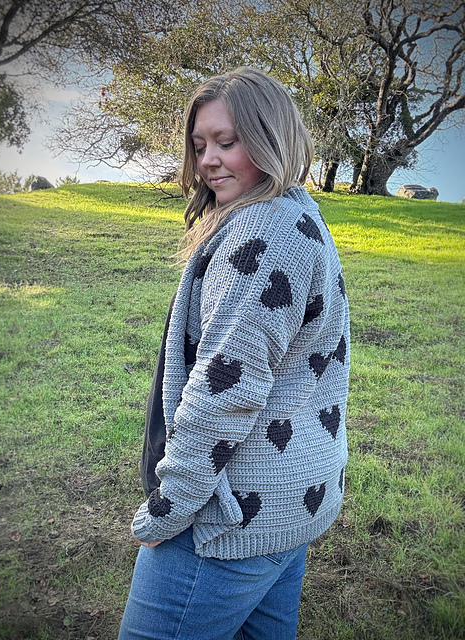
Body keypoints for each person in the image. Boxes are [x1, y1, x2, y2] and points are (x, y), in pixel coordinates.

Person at [118, 67, 350, 640]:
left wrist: (170, 506)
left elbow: (224, 392)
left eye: (227, 142)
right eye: (200, 145)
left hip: (227, 519)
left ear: (271, 139)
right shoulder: (296, 212)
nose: (208, 161)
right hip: (286, 504)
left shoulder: (263, 236)